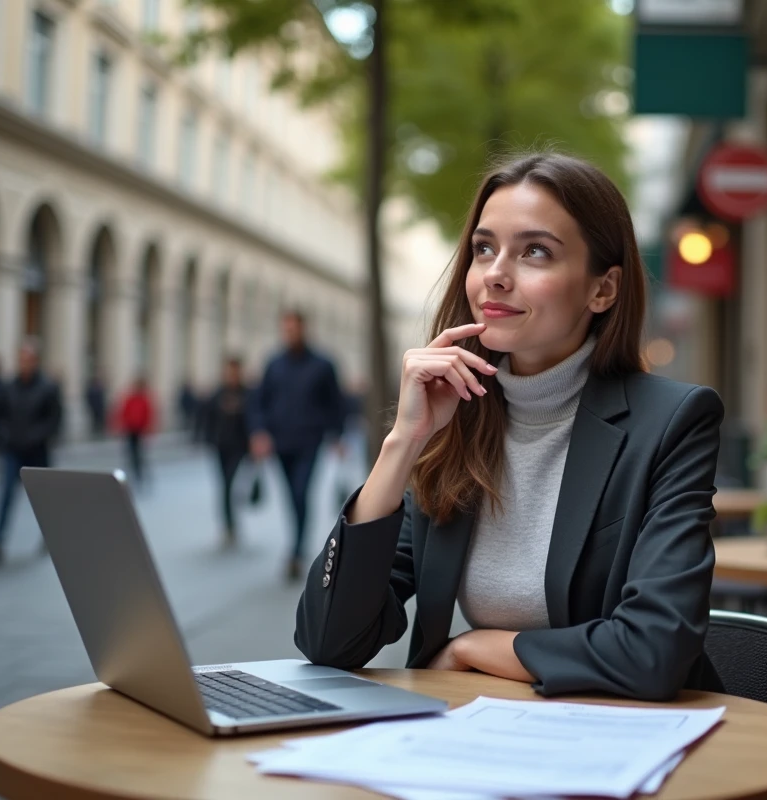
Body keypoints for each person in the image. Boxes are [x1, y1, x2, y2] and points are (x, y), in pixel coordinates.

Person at [293, 153, 725, 701]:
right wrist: (403, 443)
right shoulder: (457, 418)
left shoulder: (671, 423)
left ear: (603, 290)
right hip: (482, 735)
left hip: (628, 739)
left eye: (535, 252)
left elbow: (652, 651)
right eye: (484, 248)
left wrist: (474, 647)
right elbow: (328, 641)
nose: (495, 274)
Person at [248, 310, 346, 581]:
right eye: (286, 329)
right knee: (291, 495)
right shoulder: (274, 364)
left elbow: (335, 403)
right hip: (280, 442)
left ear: (304, 329)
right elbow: (260, 401)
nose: (290, 333)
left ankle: (296, 551)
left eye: (294, 328)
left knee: (301, 492)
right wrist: (259, 433)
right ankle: (297, 542)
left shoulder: (323, 364)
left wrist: (338, 435)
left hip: (309, 440)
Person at [0, 338, 63, 564]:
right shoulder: (9, 387)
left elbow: (54, 421)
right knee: (6, 494)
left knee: (42, 498)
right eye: (21, 359)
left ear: (36, 361)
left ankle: (49, 537)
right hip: (13, 450)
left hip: (37, 451)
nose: (24, 363)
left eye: (28, 359)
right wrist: (4, 436)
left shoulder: (48, 388)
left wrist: (36, 436)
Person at [204, 356, 251, 547]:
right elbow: (208, 417)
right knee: (223, 486)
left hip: (238, 448)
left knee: (230, 485)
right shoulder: (218, 393)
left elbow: (252, 420)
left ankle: (231, 524)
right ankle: (228, 526)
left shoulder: (247, 394)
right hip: (220, 446)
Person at [114, 376, 156, 490]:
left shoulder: (144, 399)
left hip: (140, 431)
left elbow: (149, 415)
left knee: (139, 456)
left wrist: (148, 429)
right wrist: (122, 425)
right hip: (130, 430)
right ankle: (133, 476)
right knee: (131, 455)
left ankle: (140, 477)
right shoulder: (131, 398)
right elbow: (124, 412)